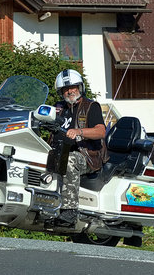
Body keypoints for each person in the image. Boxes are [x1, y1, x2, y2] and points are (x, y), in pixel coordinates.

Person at [52, 69, 106, 226]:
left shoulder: (91, 106)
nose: (70, 91)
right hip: (60, 150)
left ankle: (70, 211)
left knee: (69, 160)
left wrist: (79, 132)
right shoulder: (59, 108)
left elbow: (101, 131)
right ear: (61, 92)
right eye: (66, 89)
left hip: (87, 156)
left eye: (73, 87)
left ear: (80, 87)